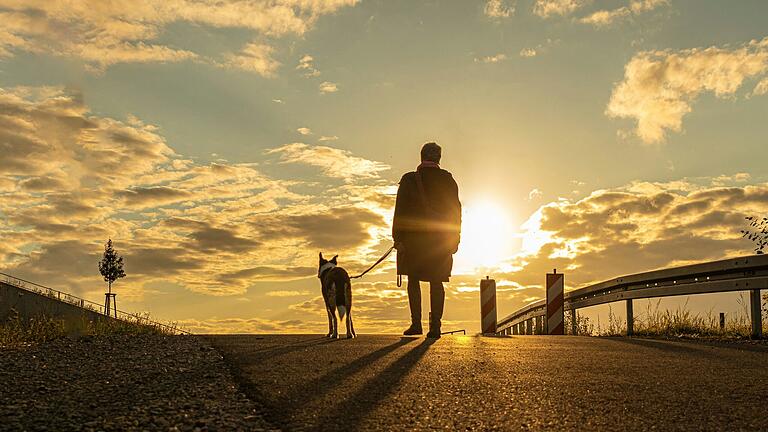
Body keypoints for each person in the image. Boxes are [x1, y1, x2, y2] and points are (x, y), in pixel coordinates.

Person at [392, 142, 461, 338]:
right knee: (436, 281)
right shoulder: (448, 180)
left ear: (421, 157)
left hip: (413, 241)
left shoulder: (409, 180)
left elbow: (400, 211)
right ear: (439, 158)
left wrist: (398, 238)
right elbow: (456, 212)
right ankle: (436, 327)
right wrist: (455, 238)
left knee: (413, 279)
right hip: (440, 241)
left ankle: (416, 324)